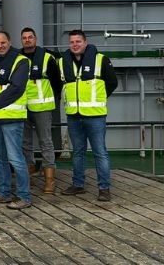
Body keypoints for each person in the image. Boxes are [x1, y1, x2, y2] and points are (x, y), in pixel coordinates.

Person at [59, 29, 117, 201]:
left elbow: (112, 83)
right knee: (77, 152)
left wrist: (98, 98)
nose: (75, 45)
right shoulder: (63, 62)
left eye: (78, 41)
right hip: (73, 116)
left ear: (85, 43)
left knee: (100, 152)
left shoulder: (101, 60)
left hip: (95, 115)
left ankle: (104, 188)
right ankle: (78, 184)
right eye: (72, 42)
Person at [0, 31, 32, 209]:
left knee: (15, 158)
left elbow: (16, 88)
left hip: (11, 117)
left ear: (9, 42)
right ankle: (4, 193)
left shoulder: (21, 60)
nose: (0, 46)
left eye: (3, 42)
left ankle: (24, 196)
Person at [20, 27, 62, 194]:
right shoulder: (17, 57)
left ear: (35, 39)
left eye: (30, 37)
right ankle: (28, 178)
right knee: (25, 144)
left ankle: (49, 180)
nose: (28, 40)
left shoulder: (47, 58)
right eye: (24, 38)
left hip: (43, 108)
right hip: (23, 107)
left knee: (46, 143)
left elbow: (57, 83)